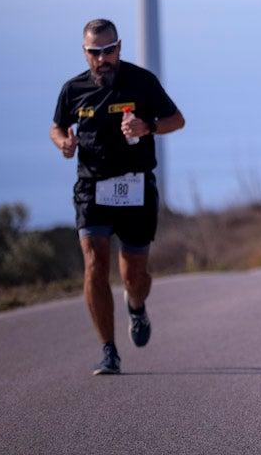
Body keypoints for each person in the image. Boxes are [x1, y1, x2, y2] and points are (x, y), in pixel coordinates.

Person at [49, 19, 185, 376]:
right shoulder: (72, 89)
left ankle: (136, 306)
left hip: (135, 187)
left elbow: (177, 119)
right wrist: (63, 141)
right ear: (85, 53)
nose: (103, 58)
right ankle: (108, 350)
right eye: (95, 52)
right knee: (94, 263)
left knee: (133, 277)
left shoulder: (141, 81)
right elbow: (57, 125)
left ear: (119, 48)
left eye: (109, 50)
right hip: (92, 187)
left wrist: (147, 126)